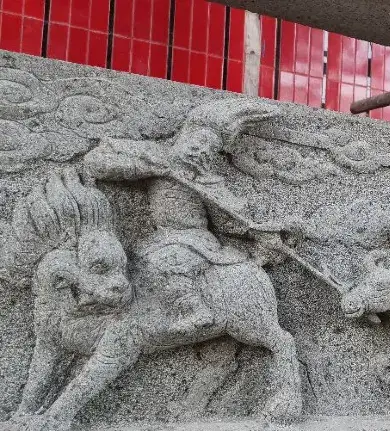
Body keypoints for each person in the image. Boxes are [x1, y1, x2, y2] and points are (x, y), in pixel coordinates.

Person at [81, 99, 284, 336]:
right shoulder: (156, 157)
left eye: (210, 150)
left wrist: (259, 231)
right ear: (185, 135)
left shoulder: (208, 182)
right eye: (200, 142)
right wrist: (147, 167)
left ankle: (194, 309)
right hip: (164, 235)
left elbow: (230, 220)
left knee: (168, 262)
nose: (201, 151)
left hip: (194, 239)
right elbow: (96, 162)